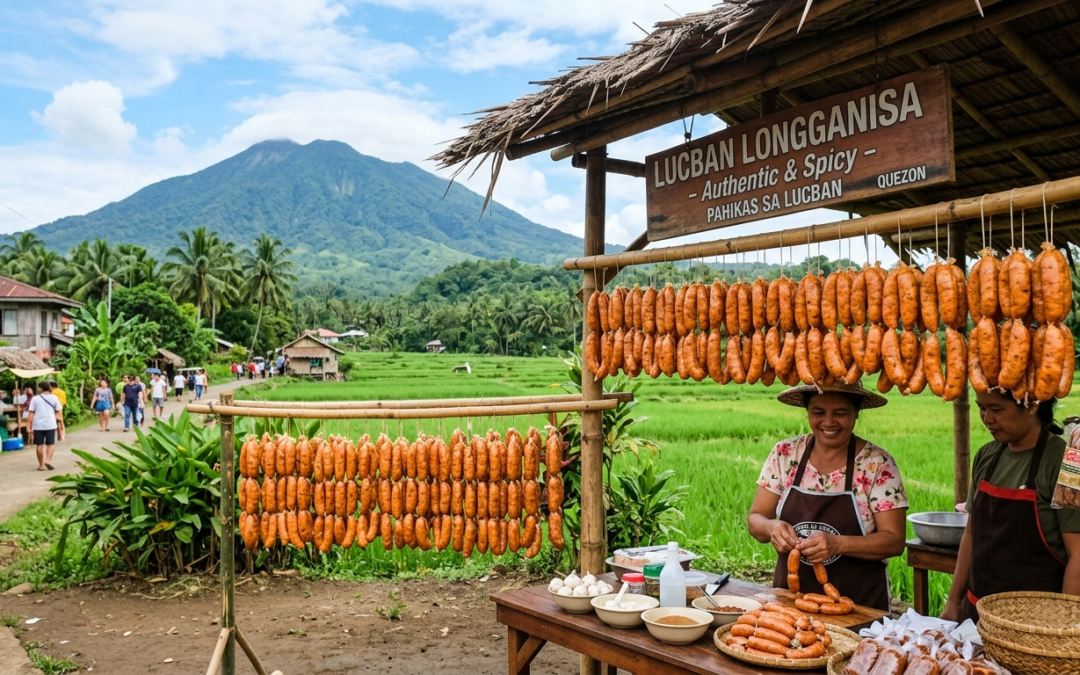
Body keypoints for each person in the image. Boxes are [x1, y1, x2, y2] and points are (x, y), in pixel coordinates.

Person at [747, 381, 908, 611]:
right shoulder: (785, 454)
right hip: (791, 603)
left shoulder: (878, 464)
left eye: (840, 413)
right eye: (818, 412)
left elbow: (894, 541)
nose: (829, 422)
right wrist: (772, 528)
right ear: (807, 413)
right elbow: (756, 518)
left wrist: (838, 543)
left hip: (859, 608)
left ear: (856, 413)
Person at [941, 391, 1080, 623]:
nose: (987, 418)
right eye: (982, 408)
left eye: (996, 410)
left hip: (1036, 623)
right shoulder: (986, 455)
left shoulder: (1067, 464)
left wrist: (1065, 627)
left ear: (1031, 407)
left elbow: (1077, 555)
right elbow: (971, 533)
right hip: (977, 614)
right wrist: (954, 602)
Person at [27, 380, 61, 471]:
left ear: (41, 388)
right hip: (50, 424)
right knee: (50, 444)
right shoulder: (54, 398)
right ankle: (48, 461)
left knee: (39, 445)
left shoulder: (35, 399)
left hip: (38, 425)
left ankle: (41, 465)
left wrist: (28, 426)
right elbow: (58, 411)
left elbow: (31, 414)